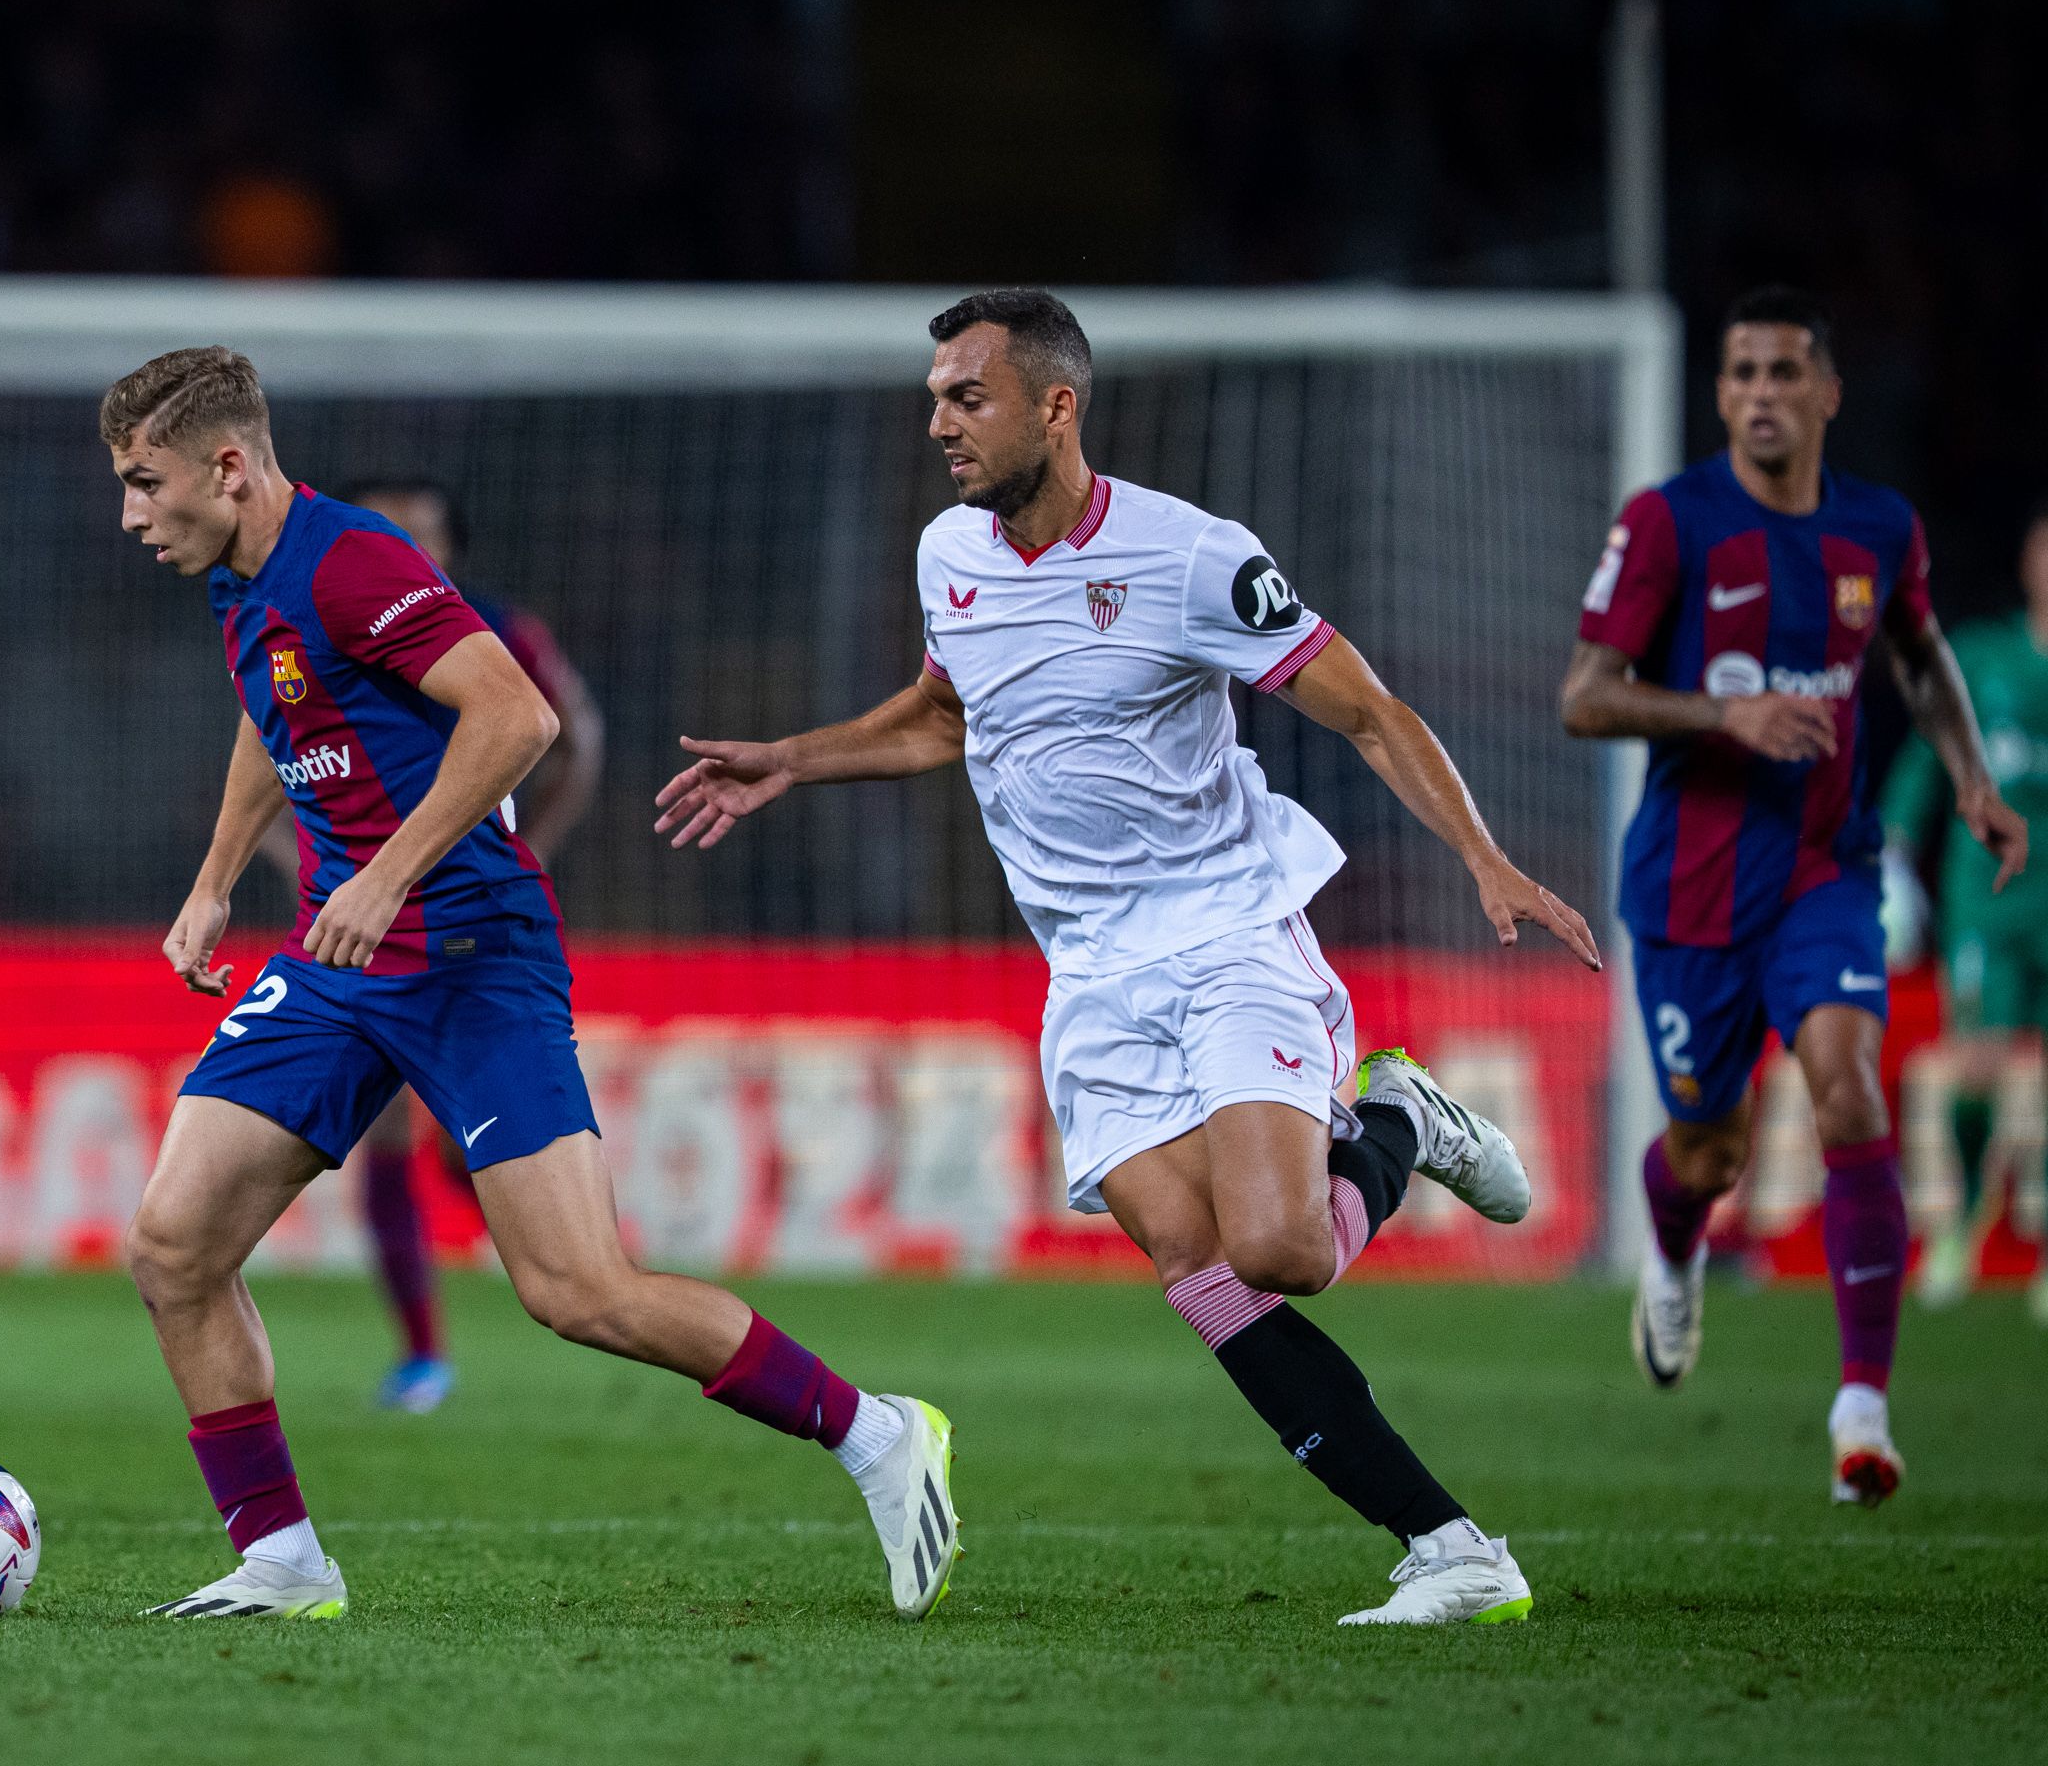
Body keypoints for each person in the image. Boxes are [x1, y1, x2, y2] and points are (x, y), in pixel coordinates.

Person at [657, 288, 1598, 1626]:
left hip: (1224, 932)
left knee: (1282, 1249)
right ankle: (1448, 1547)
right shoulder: (949, 555)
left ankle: (1394, 1113)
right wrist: (792, 762)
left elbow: (1370, 713)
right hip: (1090, 975)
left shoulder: (1194, 557)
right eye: (933, 396)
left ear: (1057, 404)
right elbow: (943, 718)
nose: (938, 423)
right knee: (1196, 1269)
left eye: (966, 397)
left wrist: (1485, 858)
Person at [107, 346, 954, 1622]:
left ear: (227, 467)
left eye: (142, 481)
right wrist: (217, 878)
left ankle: (878, 1432)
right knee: (174, 1245)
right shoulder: (242, 574)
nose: (130, 515)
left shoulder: (352, 559)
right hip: (341, 967)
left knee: (577, 1292)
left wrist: (386, 874)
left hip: (467, 953)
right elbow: (272, 713)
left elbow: (518, 718)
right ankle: (283, 1559)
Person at [1561, 285, 2027, 1504]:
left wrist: (1973, 781)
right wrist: (1727, 711)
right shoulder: (1669, 523)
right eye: (1740, 373)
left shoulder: (1879, 527)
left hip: (1828, 868)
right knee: (1708, 1152)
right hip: (1692, 886)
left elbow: (1920, 656)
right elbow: (1586, 695)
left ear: (1827, 391)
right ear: (1720, 396)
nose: (1760, 393)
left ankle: (1861, 1406)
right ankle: (1673, 1247)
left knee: (1852, 1086)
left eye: (1782, 372)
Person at [253, 475, 606, 1412]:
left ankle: (572, 1271)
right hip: (369, 920)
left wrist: (529, 845)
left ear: (447, 551)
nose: (404, 548)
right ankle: (422, 1354)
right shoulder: (318, 622)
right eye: (386, 532)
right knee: (388, 1131)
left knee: (470, 1144)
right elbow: (267, 747)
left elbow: (571, 735)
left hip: (469, 914)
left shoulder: (493, 636)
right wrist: (315, 862)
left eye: (422, 534)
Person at [1880, 496, 2048, 1318]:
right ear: (2028, 563)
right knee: (1976, 1065)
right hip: (1986, 896)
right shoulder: (1982, 659)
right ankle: (1963, 1227)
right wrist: (1892, 854)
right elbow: (1925, 753)